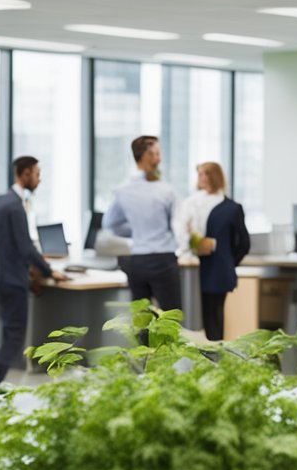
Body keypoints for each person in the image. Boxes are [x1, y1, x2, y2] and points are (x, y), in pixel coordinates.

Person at [0, 155, 67, 390]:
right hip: (14, 280)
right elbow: (25, 247)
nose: (40, 179)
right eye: (37, 174)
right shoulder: (16, 207)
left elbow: (2, 244)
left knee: (8, 333)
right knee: (14, 337)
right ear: (25, 174)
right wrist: (49, 271)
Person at [173, 162, 250, 340]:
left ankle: (215, 354)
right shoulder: (192, 202)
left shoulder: (231, 208)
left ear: (214, 177)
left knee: (214, 313)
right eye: (199, 174)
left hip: (217, 270)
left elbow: (244, 243)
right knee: (197, 315)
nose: (200, 178)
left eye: (204, 174)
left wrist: (230, 261)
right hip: (195, 266)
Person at [105, 135, 182, 312]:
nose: (159, 158)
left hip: (138, 261)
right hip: (163, 259)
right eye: (155, 153)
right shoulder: (165, 190)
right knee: (171, 318)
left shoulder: (122, 190)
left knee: (142, 320)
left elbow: (110, 224)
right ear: (144, 156)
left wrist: (138, 231)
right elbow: (177, 225)